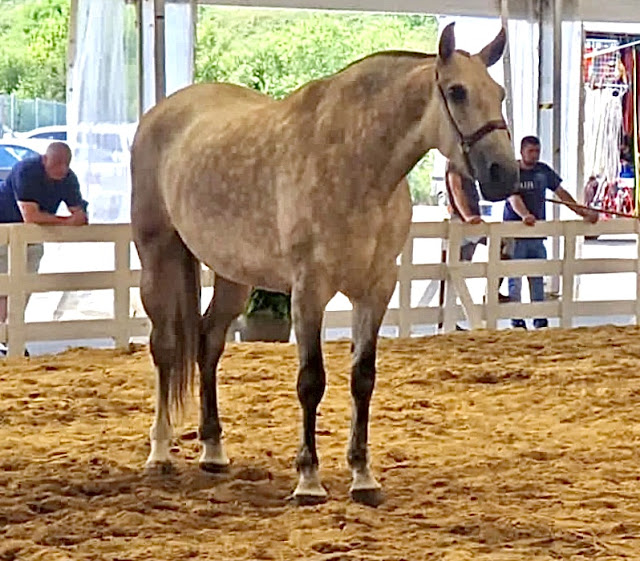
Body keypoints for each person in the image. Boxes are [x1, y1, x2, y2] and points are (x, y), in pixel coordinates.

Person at [504, 135, 598, 330]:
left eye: (537, 151)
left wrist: (582, 212)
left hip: (538, 234)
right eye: (531, 151)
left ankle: (540, 318)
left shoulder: (543, 171)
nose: (534, 155)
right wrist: (525, 215)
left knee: (538, 277)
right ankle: (516, 319)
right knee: (515, 278)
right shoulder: (512, 172)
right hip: (515, 235)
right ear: (521, 152)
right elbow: (513, 198)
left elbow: (562, 193)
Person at [0, 141, 88, 336]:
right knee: (4, 287)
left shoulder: (68, 179)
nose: (61, 169)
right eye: (56, 163)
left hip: (32, 238)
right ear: (44, 159)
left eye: (66, 164)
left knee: (24, 286)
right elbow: (30, 216)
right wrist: (67, 221)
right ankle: (4, 334)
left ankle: (11, 337)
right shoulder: (27, 171)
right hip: (4, 230)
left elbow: (78, 212)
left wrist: (78, 216)